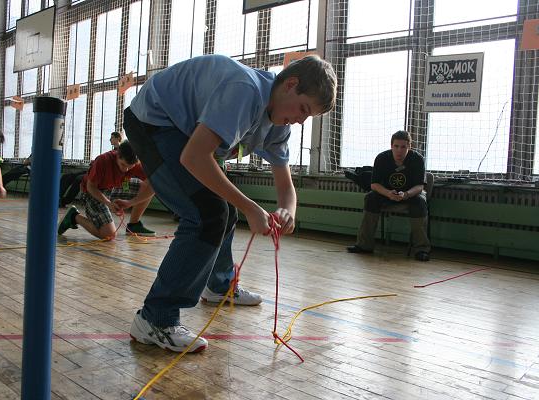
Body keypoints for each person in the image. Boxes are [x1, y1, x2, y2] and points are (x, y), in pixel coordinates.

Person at [123, 54, 337, 353]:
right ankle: (155, 318)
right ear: (291, 84)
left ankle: (219, 286)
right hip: (153, 120)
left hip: (185, 132)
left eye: (308, 116)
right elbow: (193, 157)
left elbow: (285, 185)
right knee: (206, 214)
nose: (301, 120)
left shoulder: (278, 124)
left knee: (225, 211)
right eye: (303, 109)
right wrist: (253, 207)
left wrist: (287, 211)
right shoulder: (244, 91)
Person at [347, 130, 431, 261]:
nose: (399, 150)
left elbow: (420, 186)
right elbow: (374, 185)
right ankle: (364, 245)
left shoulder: (417, 159)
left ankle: (421, 249)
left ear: (409, 146)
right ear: (391, 146)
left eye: (403, 147)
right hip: (387, 193)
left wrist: (406, 194)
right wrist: (388, 193)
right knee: (370, 198)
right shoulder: (382, 158)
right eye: (396, 146)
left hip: (410, 194)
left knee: (420, 203)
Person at [57, 140, 156, 239]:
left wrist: (130, 202)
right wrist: (108, 203)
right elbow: (90, 187)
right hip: (93, 192)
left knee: (149, 187)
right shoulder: (103, 161)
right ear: (117, 155)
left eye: (130, 167)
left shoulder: (135, 161)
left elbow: (153, 186)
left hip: (114, 187)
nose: (126, 170)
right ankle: (74, 216)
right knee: (109, 235)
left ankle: (134, 225)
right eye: (123, 165)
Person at [58, 132, 123, 208]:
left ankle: (65, 201)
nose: (110, 139)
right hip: (95, 169)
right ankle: (57, 197)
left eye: (112, 137)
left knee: (78, 179)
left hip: (102, 174)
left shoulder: (121, 152)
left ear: (118, 138)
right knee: (67, 176)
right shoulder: (112, 151)